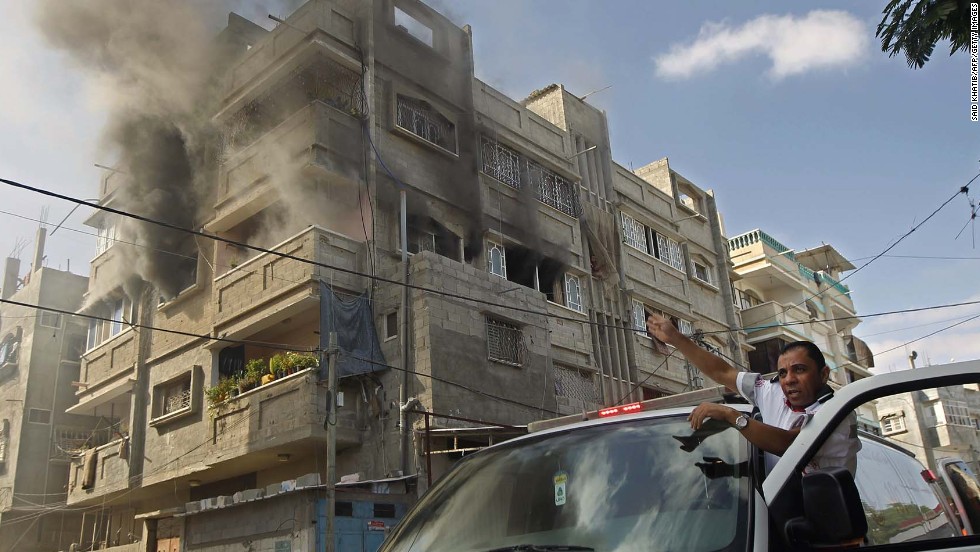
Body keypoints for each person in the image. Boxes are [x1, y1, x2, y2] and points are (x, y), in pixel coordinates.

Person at [646, 313, 860, 474]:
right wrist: (675, 338)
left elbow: (788, 445)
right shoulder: (772, 392)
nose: (789, 379)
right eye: (783, 373)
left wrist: (732, 416)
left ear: (823, 374)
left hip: (825, 528)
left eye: (800, 370)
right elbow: (723, 372)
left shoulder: (837, 414)